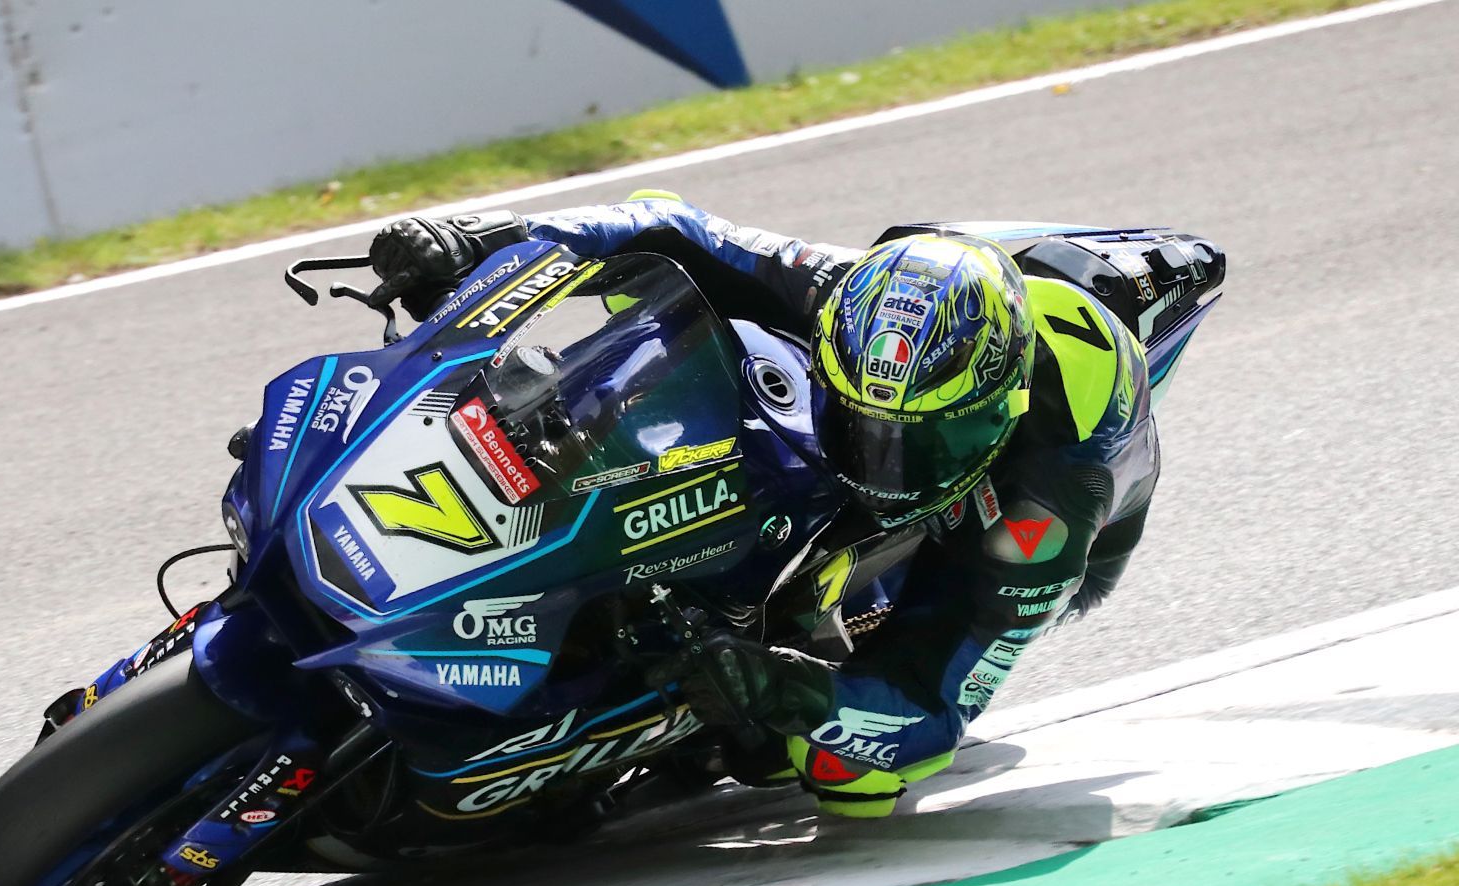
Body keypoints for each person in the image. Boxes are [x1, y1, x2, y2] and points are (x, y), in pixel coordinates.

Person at [364, 195, 1158, 818]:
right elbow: (670, 229)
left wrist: (788, 692)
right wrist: (488, 235)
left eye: (914, 441)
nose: (885, 465)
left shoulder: (1048, 510)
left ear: (1001, 406)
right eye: (865, 426)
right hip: (936, 308)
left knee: (841, 774)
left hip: (1025, 514)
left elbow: (928, 716)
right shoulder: (841, 292)